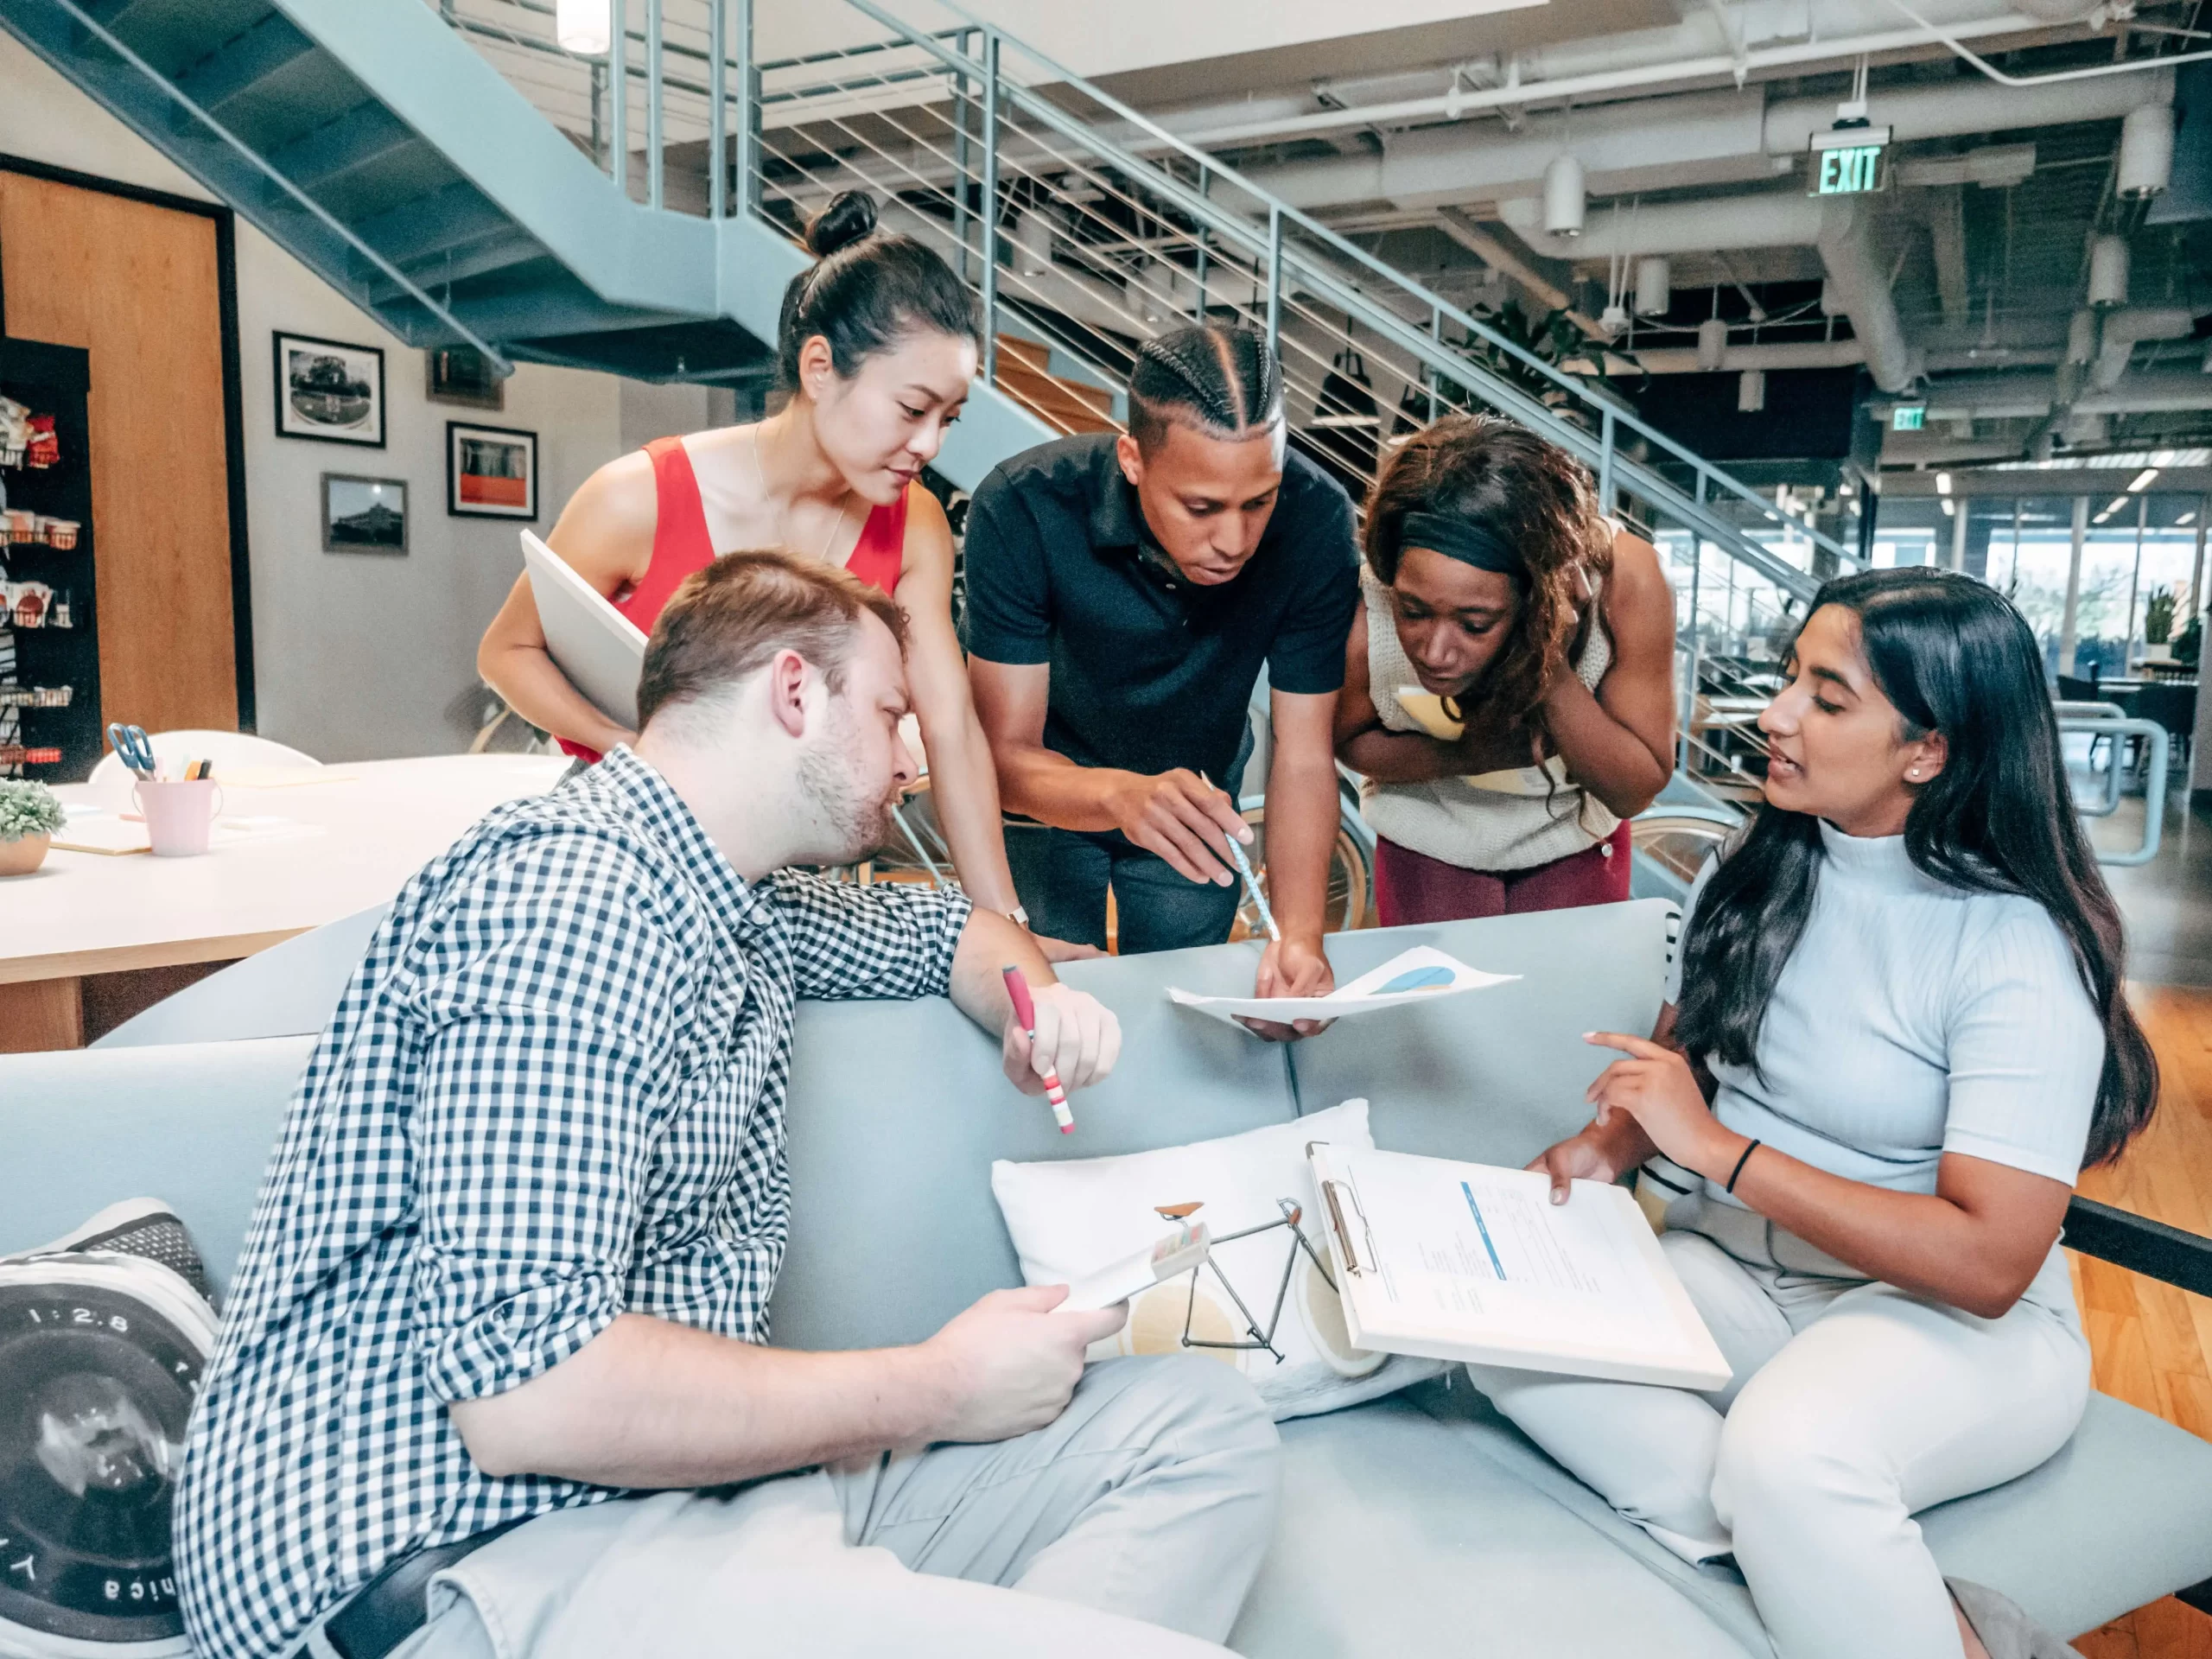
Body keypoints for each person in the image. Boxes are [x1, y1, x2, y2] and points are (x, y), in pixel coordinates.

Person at [178, 553, 1281, 1659]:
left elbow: (960, 936)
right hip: (458, 1562)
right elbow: (529, 1401)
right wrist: (940, 1387)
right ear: (795, 693)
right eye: (892, 712)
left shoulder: (743, 897)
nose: (911, 757)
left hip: (687, 1512)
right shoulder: (577, 904)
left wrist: (1032, 1000)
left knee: (1199, 1427)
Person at [1486, 569, 2158, 1659]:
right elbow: (1687, 1052)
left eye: (1827, 698)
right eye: (1791, 676)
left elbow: (1989, 1263)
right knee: (1500, 1333)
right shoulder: (1753, 865)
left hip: (1952, 1325)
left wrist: (1714, 1151)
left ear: (1927, 749)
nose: (1775, 713)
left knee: (1788, 1458)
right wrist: (1605, 1146)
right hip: (1743, 1280)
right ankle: (1854, 1589)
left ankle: (1817, 1550)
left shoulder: (2017, 944)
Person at [477, 190, 1071, 952]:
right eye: (911, 409)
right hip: (624, 851)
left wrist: (1008, 926)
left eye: (947, 420)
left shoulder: (914, 523)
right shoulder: (638, 497)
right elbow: (506, 652)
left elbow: (951, 729)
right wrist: (622, 740)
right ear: (819, 367)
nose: (929, 445)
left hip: (789, 881)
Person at [964, 323, 1359, 1036]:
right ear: (1133, 459)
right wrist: (1119, 793)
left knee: (1187, 1012)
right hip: (1048, 798)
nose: (1234, 541)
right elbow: (1001, 754)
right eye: (1201, 507)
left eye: (1258, 502)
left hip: (1199, 802)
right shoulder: (1024, 505)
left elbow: (1304, 752)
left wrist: (1300, 937)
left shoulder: (1318, 520)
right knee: (1044, 1011)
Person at [1332, 415, 1676, 925]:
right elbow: (1348, 741)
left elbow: (1633, 789)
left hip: (1576, 839)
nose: (1435, 652)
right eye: (1414, 612)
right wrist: (1479, 752)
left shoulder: (1627, 580)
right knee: (1436, 1004)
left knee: (1567, 1003)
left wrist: (1548, 661)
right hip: (1424, 841)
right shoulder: (1370, 595)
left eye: (1475, 624)